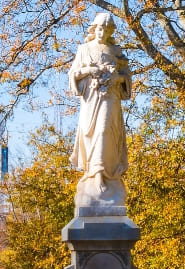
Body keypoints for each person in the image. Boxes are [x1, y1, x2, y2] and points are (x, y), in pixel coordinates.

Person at [69, 12, 131, 207]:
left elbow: (126, 76)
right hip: (91, 100)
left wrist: (117, 78)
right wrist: (89, 71)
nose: (102, 32)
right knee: (92, 134)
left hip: (110, 99)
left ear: (110, 31)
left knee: (104, 132)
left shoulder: (115, 51)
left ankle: (100, 176)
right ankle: (92, 174)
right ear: (94, 28)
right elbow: (73, 75)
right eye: (99, 28)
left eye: (106, 29)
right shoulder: (84, 49)